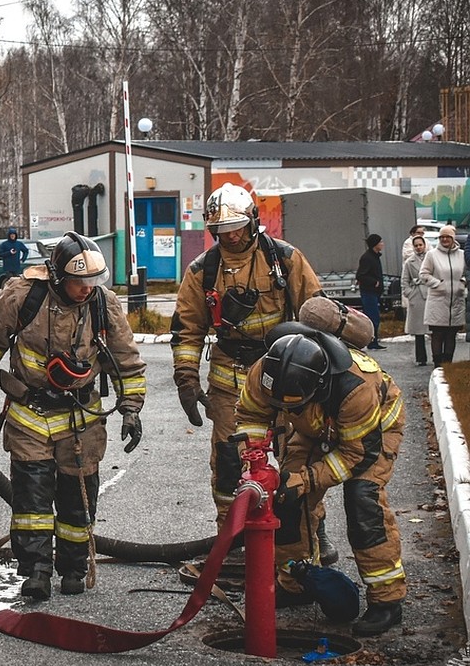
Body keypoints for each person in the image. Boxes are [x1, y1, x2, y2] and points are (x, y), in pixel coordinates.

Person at [0, 232, 146, 599]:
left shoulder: (103, 305)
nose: (87, 289)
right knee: (31, 500)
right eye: (80, 282)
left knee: (77, 500)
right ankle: (36, 571)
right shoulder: (25, 296)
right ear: (58, 278)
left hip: (80, 421)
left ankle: (73, 568)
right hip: (30, 414)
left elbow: (126, 360)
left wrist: (131, 409)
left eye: (94, 281)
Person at [169, 182, 329, 549]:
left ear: (253, 222)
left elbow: (316, 313)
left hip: (284, 374)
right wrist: (187, 381)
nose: (230, 236)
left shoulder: (284, 259)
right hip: (230, 382)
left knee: (296, 457)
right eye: (221, 231)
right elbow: (186, 328)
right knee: (229, 464)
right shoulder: (203, 270)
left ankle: (307, 534)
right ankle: (234, 540)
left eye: (236, 227)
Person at [233, 327, 406, 635]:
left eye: (294, 404)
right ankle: (296, 584)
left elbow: (355, 456)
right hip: (315, 427)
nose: (288, 409)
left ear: (321, 384)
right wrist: (257, 463)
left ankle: (386, 601)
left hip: (372, 431)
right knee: (286, 500)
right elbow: (251, 416)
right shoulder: (266, 371)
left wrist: (305, 479)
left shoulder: (356, 388)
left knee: (363, 500)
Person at [420, 225, 467, 366]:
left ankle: (448, 365)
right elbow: (423, 274)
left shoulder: (462, 254)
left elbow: (465, 273)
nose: (445, 239)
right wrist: (438, 284)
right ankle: (437, 365)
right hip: (438, 301)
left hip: (456, 302)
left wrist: (462, 283)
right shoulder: (432, 255)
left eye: (448, 237)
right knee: (438, 334)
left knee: (451, 335)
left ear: (453, 238)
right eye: (442, 237)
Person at [401, 234, 429, 365]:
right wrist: (409, 293)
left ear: (424, 245)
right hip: (417, 296)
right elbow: (404, 280)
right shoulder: (409, 262)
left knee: (435, 329)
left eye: (420, 245)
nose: (418, 247)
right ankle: (421, 358)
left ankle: (438, 356)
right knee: (419, 331)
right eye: (416, 245)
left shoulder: (431, 258)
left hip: (431, 294)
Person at [356, 233, 386, 350]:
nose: (382, 244)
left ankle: (374, 340)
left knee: (375, 317)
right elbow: (361, 275)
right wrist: (374, 282)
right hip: (369, 292)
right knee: (372, 317)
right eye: (380, 242)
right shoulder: (367, 258)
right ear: (375, 244)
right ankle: (371, 342)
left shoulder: (375, 256)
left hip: (375, 292)